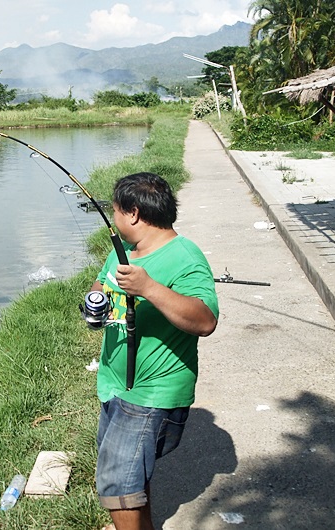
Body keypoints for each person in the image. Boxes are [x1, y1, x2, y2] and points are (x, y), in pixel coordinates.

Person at [88, 172, 219, 530]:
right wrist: (94, 301)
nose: (113, 218)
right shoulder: (124, 252)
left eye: (114, 211)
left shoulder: (185, 256)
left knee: (117, 481)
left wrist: (148, 287)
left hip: (152, 391)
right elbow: (101, 284)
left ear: (132, 213)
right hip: (113, 384)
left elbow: (205, 320)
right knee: (132, 478)